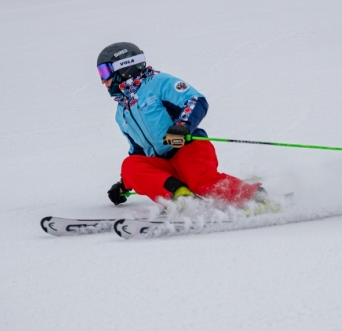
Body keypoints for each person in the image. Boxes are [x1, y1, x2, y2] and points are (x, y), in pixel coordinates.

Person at [97, 42, 265, 207]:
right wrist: (124, 184)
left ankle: (256, 197)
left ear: (124, 67)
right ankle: (183, 200)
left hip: (187, 149)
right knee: (130, 165)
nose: (103, 81)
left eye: (105, 72)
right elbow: (139, 151)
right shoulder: (122, 113)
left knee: (201, 183)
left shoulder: (157, 82)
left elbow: (195, 100)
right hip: (164, 166)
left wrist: (182, 125)